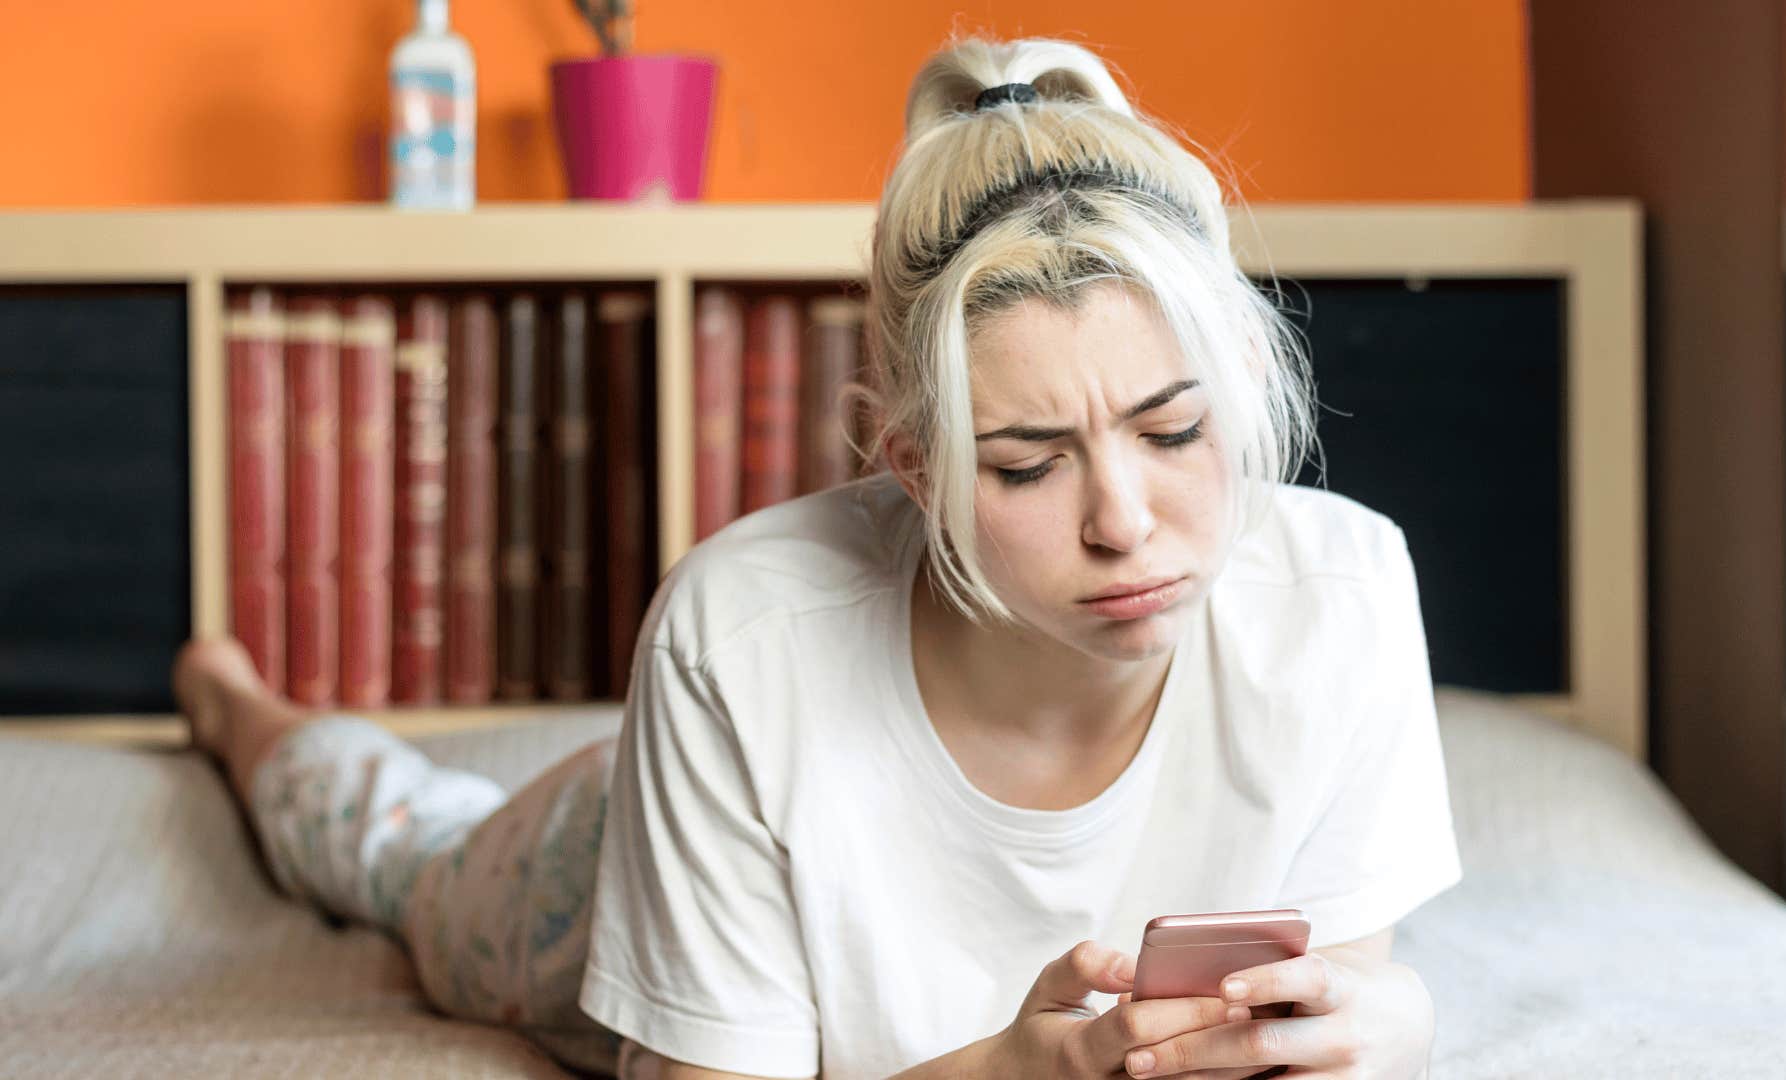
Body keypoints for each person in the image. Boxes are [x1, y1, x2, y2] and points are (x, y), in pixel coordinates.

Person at [175, 33, 1462, 1080]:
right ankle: (234, 705)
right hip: (604, 850)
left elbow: (1346, 983)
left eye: (1173, 430)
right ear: (914, 466)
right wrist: (1012, 1076)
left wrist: (1387, 1015)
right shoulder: (739, 641)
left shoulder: (1342, 596)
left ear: (1241, 383)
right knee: (402, 847)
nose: (1122, 519)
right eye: (1026, 463)